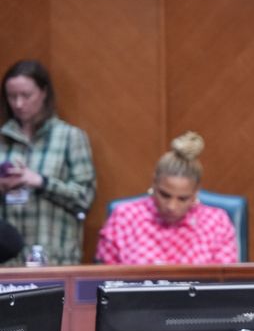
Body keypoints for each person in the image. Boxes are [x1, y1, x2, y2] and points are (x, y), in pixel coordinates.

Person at [0, 60, 96, 265]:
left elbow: (85, 199)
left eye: (26, 95)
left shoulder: (70, 137)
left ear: (44, 93)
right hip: (7, 260)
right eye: (12, 96)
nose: (18, 104)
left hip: (55, 257)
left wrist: (40, 182)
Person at [96, 132, 239, 264]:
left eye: (182, 198)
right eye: (164, 195)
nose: (171, 206)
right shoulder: (124, 218)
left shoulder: (217, 223)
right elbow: (103, 278)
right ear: (154, 182)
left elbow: (225, 281)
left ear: (196, 191)